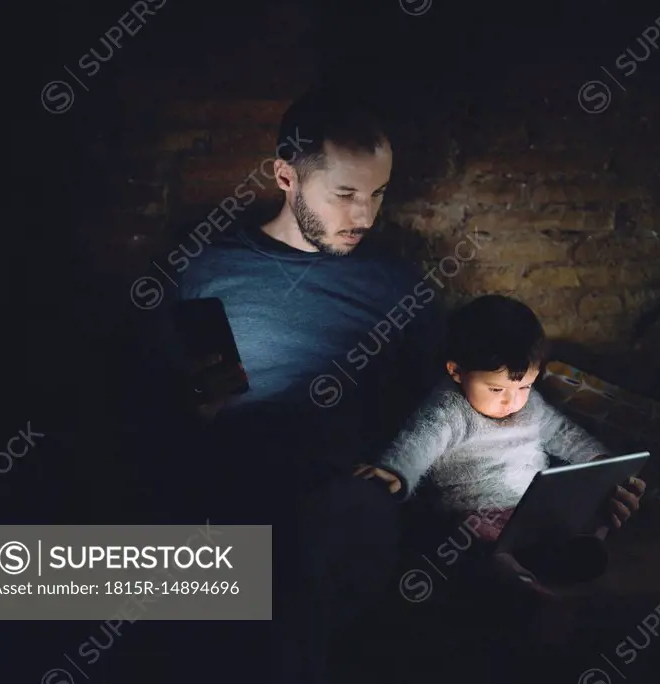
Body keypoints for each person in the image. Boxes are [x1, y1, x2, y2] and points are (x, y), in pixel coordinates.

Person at [137, 85, 443, 683]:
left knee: (301, 541)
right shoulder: (209, 268)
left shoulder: (397, 285)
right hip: (239, 472)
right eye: (345, 194)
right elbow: (185, 407)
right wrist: (197, 407)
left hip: (343, 487)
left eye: (378, 194)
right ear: (286, 176)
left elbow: (442, 410)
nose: (364, 216)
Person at [354, 294, 646, 638]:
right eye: (496, 388)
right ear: (456, 371)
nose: (512, 401)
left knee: (582, 518)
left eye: (524, 385)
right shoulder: (449, 409)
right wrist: (393, 472)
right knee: (473, 552)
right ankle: (524, 589)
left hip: (531, 515)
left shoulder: (530, 405)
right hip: (474, 518)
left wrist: (603, 466)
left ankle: (570, 550)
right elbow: (418, 442)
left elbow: (567, 436)